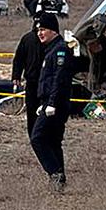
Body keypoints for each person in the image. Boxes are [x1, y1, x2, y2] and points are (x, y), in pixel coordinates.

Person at [30, 12, 74, 192]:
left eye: (43, 29)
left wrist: (52, 103)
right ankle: (59, 181)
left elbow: (59, 79)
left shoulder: (60, 50)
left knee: (37, 138)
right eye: (38, 30)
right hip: (48, 102)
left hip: (56, 104)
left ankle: (55, 173)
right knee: (53, 141)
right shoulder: (50, 50)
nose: (40, 33)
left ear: (53, 30)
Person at [12, 15, 46, 137]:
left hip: (46, 82)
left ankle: (42, 134)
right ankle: (33, 135)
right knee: (31, 111)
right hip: (31, 82)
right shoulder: (27, 39)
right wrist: (16, 75)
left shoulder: (49, 41)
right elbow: (18, 59)